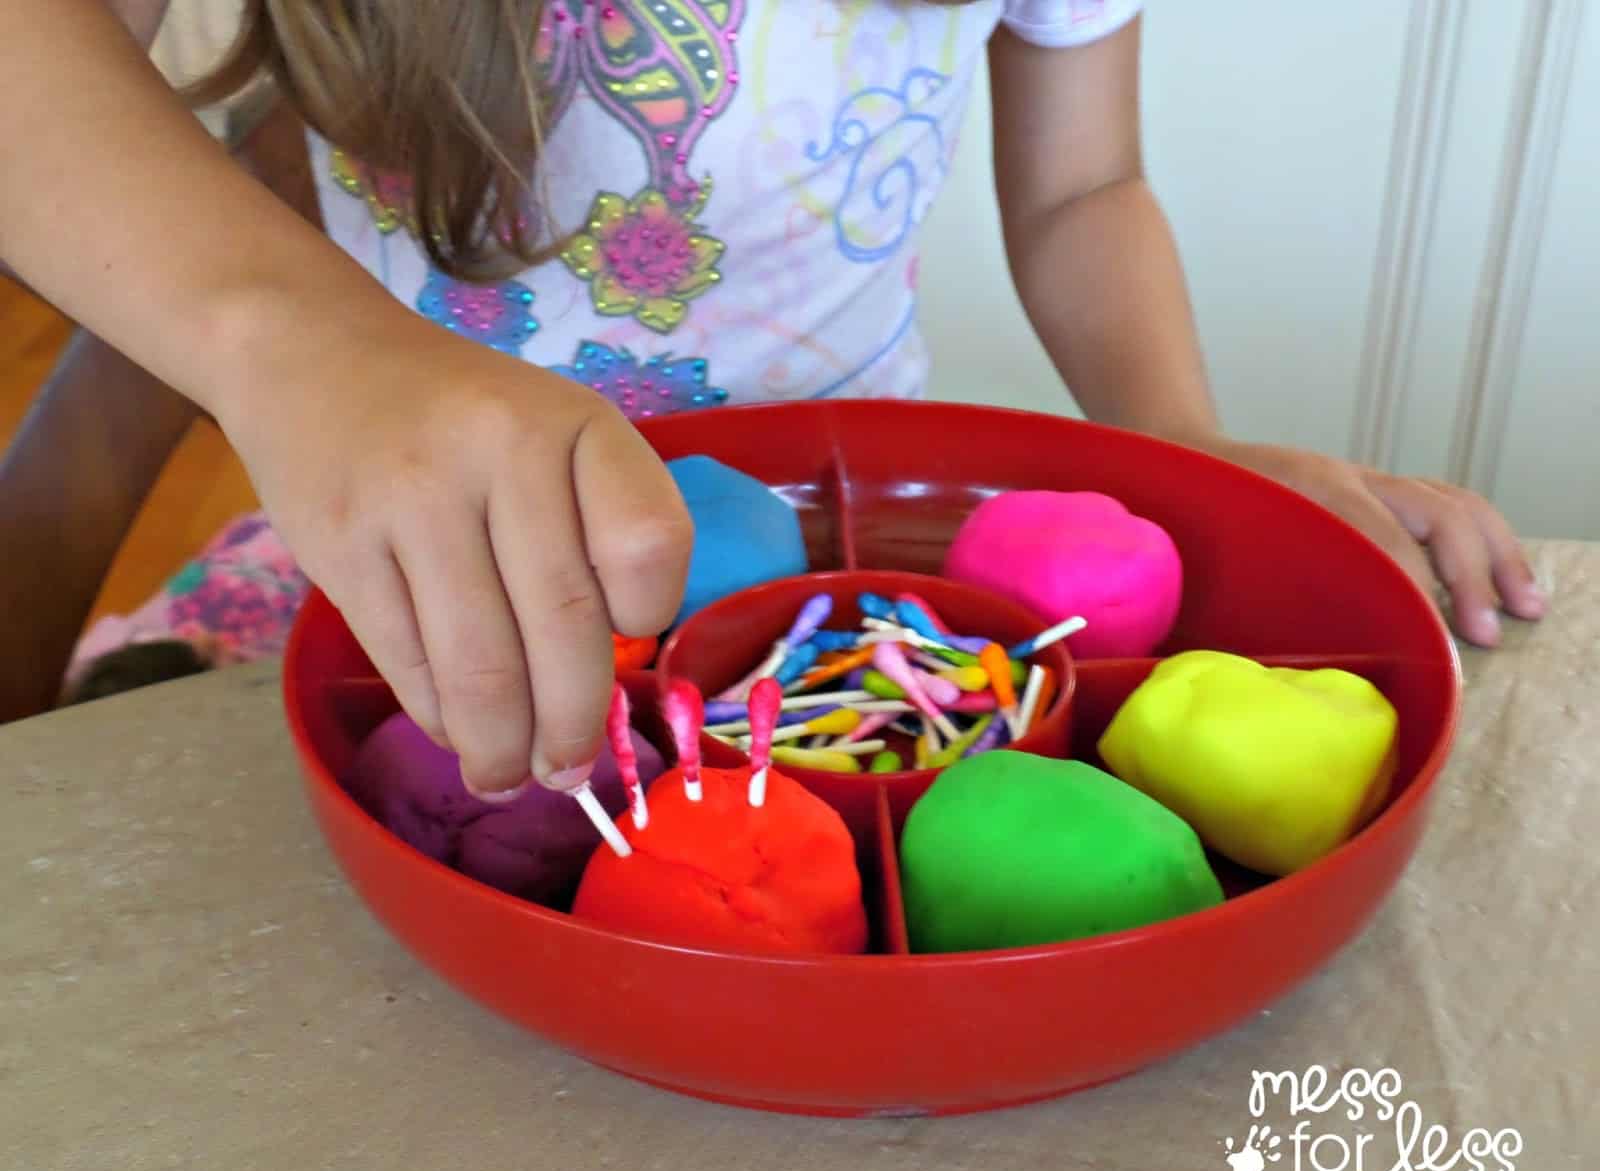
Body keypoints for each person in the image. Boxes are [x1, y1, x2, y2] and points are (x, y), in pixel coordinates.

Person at [0, 1, 1543, 797]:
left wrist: (1190, 455)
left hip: (858, 574)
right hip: (422, 564)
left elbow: (1085, 190)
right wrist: (294, 338)